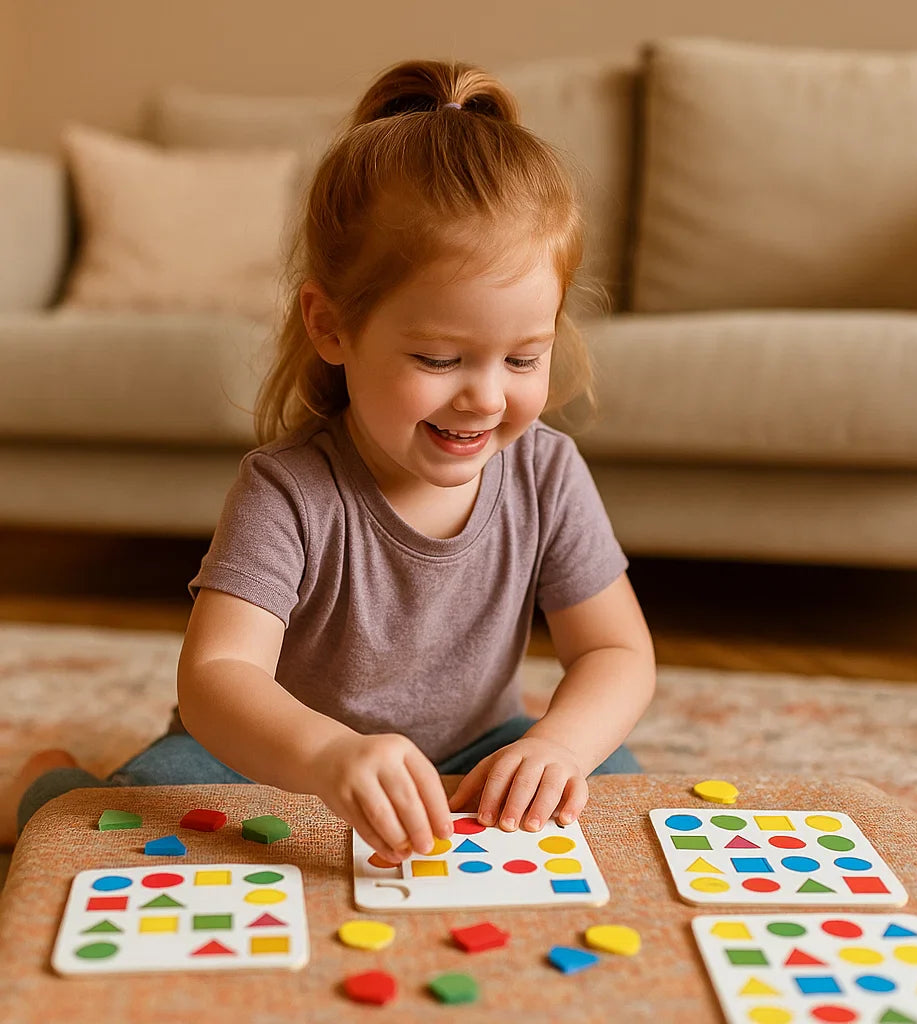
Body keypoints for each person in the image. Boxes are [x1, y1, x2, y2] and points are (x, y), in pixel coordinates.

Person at [1, 59, 656, 860]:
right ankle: (47, 778)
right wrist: (324, 756)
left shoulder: (547, 473)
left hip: (475, 752)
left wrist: (558, 746)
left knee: (619, 800)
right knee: (110, 832)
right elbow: (217, 677)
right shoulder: (288, 490)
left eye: (524, 360)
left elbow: (617, 652)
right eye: (442, 359)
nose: (486, 398)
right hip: (267, 763)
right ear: (331, 325)